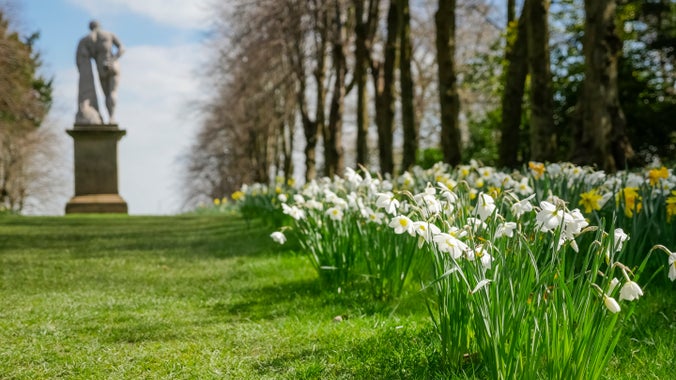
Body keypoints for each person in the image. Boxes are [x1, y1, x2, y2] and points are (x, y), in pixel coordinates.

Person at [88, 20, 124, 124]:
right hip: (112, 65)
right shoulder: (108, 34)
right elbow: (122, 48)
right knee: (112, 93)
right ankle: (111, 117)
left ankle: (111, 117)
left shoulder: (91, 39)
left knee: (107, 95)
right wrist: (113, 59)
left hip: (101, 68)